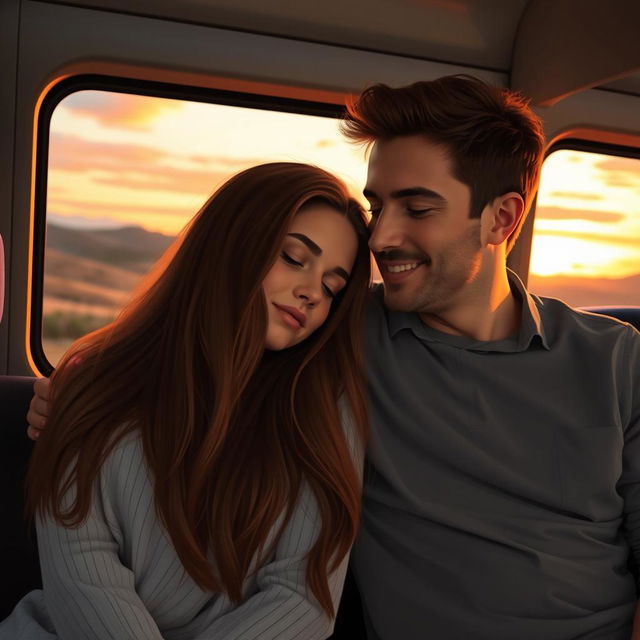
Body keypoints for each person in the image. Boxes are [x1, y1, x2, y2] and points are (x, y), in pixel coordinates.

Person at [25, 75, 640, 639]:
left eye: (417, 209)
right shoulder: (339, 337)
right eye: (378, 204)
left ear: (501, 217)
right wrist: (78, 386)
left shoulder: (619, 361)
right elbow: (211, 320)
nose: (381, 236)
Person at [1, 162, 371, 640]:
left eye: (331, 287)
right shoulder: (89, 383)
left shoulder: (323, 411)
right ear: (232, 243)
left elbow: (302, 599)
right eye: (294, 258)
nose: (310, 294)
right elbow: (83, 573)